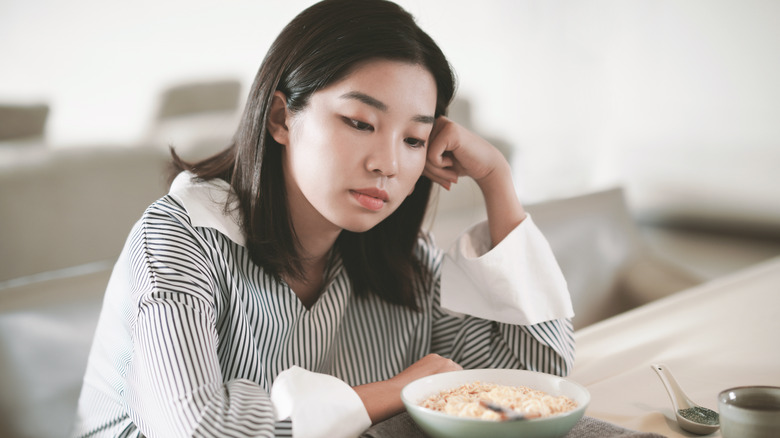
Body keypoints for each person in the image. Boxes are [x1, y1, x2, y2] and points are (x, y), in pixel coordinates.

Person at [71, 0, 575, 437]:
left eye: (414, 139)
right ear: (280, 118)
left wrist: (497, 182)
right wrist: (396, 392)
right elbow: (200, 428)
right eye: (359, 123)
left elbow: (533, 384)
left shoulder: (401, 258)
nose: (389, 164)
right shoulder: (180, 238)